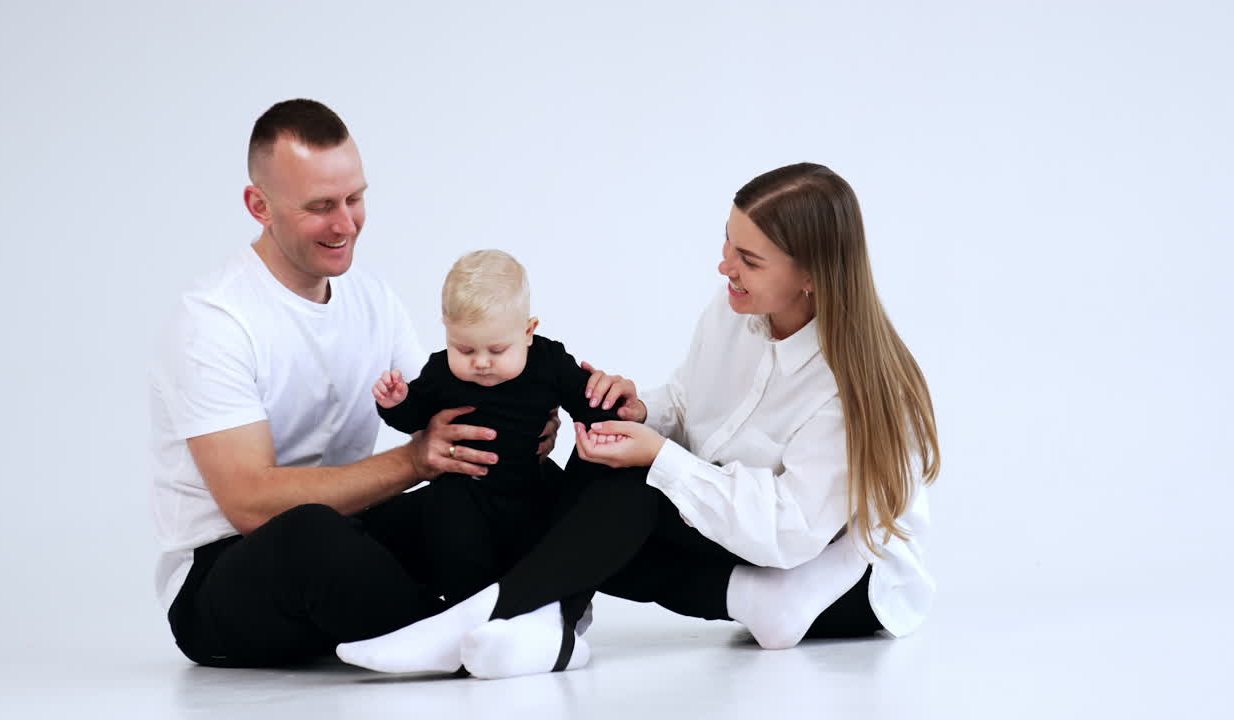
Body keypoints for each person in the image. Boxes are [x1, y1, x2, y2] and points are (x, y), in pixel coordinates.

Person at [336, 162, 941, 680]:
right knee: (596, 469)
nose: (724, 265)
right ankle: (550, 619)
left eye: (748, 258)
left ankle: (500, 616)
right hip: (750, 550)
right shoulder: (740, 310)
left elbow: (789, 530)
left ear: (811, 278)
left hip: (836, 583)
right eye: (728, 242)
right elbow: (691, 401)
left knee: (624, 492)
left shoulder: (845, 388)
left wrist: (660, 457)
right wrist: (640, 411)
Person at [148, 99, 561, 667]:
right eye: (320, 206)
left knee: (485, 483)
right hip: (225, 578)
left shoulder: (371, 297)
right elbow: (249, 506)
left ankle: (520, 616)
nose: (345, 223)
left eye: (355, 198)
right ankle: (464, 637)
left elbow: (450, 407)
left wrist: (527, 421)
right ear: (258, 206)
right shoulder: (214, 319)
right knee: (308, 533)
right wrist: (416, 460)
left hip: (349, 539)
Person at [371, 249, 619, 607]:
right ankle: (466, 609)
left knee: (556, 516)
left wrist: (608, 414)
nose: (481, 362)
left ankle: (551, 607)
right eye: (465, 348)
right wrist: (396, 402)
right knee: (452, 528)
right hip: (465, 490)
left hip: (530, 482)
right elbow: (414, 417)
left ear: (529, 331)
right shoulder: (441, 372)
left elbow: (586, 400)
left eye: (498, 349)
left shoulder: (547, 362)